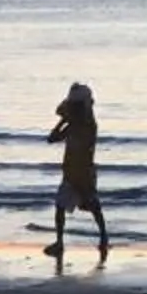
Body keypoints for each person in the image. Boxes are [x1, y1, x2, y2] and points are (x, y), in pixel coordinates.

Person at [47, 82, 108, 261]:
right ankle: (60, 242)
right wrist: (63, 121)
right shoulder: (75, 124)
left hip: (83, 172)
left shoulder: (88, 125)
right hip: (71, 172)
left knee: (92, 205)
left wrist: (66, 119)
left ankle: (103, 237)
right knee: (62, 206)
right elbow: (52, 138)